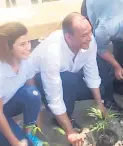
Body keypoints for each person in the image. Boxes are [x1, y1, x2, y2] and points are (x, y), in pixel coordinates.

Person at [30, 13, 108, 146]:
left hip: (66, 75)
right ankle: (62, 117)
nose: (90, 38)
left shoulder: (89, 40)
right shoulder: (52, 53)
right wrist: (70, 132)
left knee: (102, 83)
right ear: (68, 37)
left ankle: (65, 111)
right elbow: (55, 97)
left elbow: (92, 72)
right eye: (84, 35)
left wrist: (100, 103)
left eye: (90, 32)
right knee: (69, 81)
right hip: (37, 81)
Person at [0, 22, 45, 146]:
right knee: (23, 144)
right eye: (22, 44)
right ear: (8, 48)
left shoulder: (26, 61)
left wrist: (34, 128)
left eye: (28, 42)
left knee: (32, 93)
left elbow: (32, 94)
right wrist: (15, 142)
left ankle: (28, 134)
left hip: (7, 103)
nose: (28, 47)